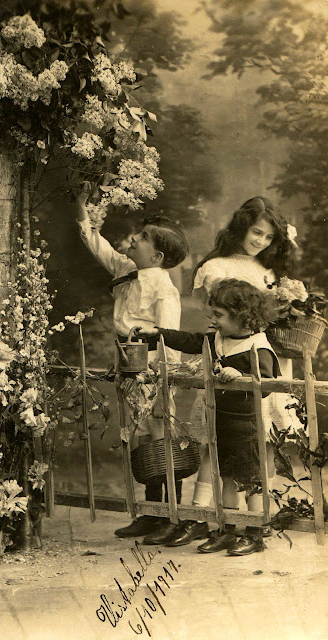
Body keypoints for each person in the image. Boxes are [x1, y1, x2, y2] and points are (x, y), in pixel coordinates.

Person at [163, 195, 300, 548]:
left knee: (259, 447)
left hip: (258, 358)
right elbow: (224, 314)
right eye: (256, 232)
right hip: (231, 356)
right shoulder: (217, 267)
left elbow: (257, 318)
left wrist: (287, 306)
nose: (260, 241)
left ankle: (256, 524)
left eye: (268, 237)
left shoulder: (269, 270)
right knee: (218, 445)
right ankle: (203, 516)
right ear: (241, 227)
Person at [76, 185, 189, 543]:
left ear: (156, 255)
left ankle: (173, 516)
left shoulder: (164, 289)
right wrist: (82, 208)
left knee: (161, 438)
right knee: (140, 439)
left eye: (141, 238)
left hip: (153, 369)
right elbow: (98, 246)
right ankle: (150, 513)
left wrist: (164, 379)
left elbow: (169, 336)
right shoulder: (126, 270)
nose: (133, 240)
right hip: (129, 364)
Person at [139, 279, 280, 556]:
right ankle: (228, 529)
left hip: (247, 425)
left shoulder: (259, 346)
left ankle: (255, 533)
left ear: (242, 317)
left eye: (219, 315)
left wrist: (242, 376)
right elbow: (191, 340)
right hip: (222, 420)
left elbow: (266, 384)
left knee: (251, 480)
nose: (213, 320)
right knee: (226, 477)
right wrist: (157, 333)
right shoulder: (220, 338)